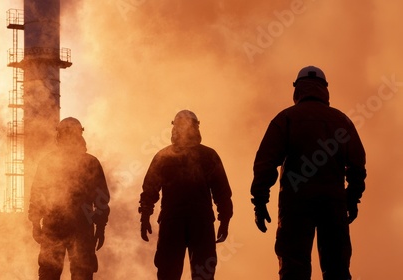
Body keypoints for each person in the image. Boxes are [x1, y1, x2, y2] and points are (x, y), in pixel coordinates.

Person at [250, 66, 367, 280]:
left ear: (297, 89)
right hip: (333, 204)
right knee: (337, 268)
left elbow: (265, 163)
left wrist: (259, 201)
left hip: (295, 204)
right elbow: (357, 164)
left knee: (294, 267)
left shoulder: (285, 119)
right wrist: (352, 198)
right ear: (324, 89)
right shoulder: (342, 121)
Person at [139, 110, 233, 280]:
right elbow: (222, 193)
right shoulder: (208, 155)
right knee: (199, 274)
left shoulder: (164, 157)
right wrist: (224, 219)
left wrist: (145, 215)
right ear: (197, 127)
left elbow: (149, 190)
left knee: (169, 273)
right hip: (197, 222)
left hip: (175, 222)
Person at [28, 117, 110, 280]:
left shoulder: (49, 162)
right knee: (78, 273)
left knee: (51, 273)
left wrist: (36, 223)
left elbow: (37, 195)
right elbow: (101, 199)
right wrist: (100, 227)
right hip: (80, 225)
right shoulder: (90, 162)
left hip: (56, 226)